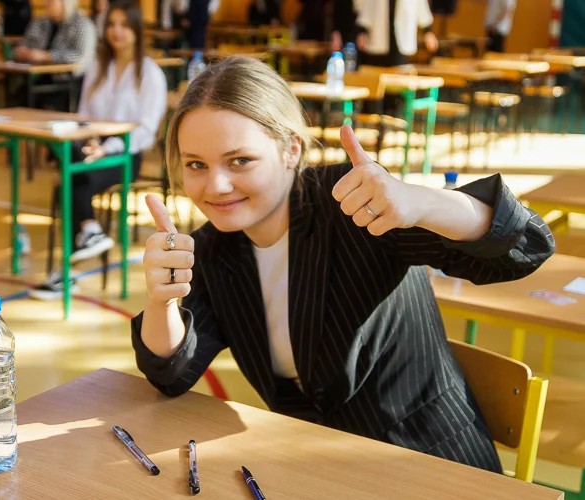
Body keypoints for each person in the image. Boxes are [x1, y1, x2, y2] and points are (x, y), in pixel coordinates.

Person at [131, 56, 555, 472]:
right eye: (196, 165)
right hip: (314, 467)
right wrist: (163, 301)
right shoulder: (212, 248)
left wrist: (422, 201)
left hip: (429, 462)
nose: (216, 185)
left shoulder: (353, 200)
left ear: (291, 149)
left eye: (240, 160)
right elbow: (171, 374)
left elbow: (528, 246)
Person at [30, 0, 167, 300]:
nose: (116, 31)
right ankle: (88, 235)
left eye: (124, 25)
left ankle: (70, 269)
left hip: (126, 154)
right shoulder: (97, 68)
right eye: (112, 25)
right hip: (92, 148)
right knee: (68, 161)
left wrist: (107, 148)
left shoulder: (150, 74)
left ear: (137, 30)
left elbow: (145, 130)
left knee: (70, 181)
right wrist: (88, 141)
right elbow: (84, 115)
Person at [14, 0, 98, 110]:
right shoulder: (40, 23)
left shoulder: (82, 25)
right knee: (17, 100)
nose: (46, 3)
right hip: (37, 79)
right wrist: (22, 52)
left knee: (46, 104)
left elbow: (80, 56)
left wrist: (48, 56)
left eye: (51, 0)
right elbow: (21, 47)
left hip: (68, 83)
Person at [356, 0, 439, 67]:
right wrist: (361, 31)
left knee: (400, 70)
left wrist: (428, 32)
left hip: (401, 39)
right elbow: (367, 8)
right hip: (379, 37)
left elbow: (421, 7)